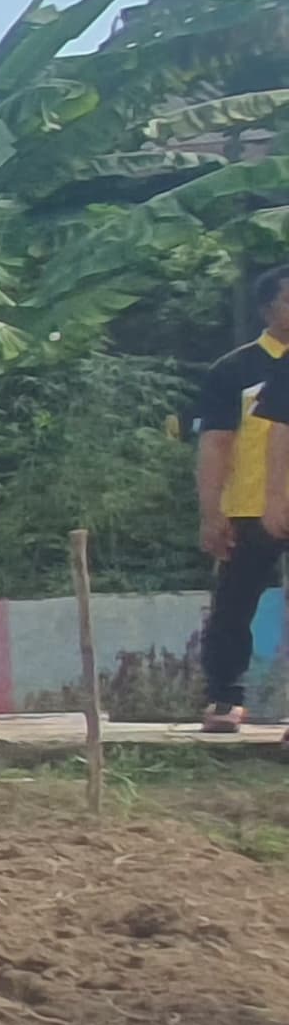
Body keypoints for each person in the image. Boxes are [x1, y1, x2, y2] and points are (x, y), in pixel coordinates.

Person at [189, 266, 289, 731]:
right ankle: (225, 697)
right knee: (234, 604)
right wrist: (212, 512)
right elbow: (216, 444)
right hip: (250, 506)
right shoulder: (236, 369)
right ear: (268, 308)